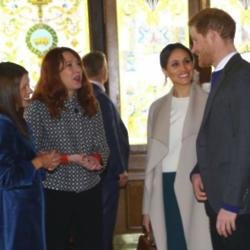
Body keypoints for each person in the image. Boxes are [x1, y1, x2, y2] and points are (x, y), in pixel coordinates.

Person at [24, 47, 110, 250]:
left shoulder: (91, 103)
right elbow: (32, 154)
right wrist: (69, 158)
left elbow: (102, 144)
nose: (77, 70)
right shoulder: (37, 108)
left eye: (78, 63)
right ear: (54, 73)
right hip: (54, 191)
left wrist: (96, 160)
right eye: (68, 66)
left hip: (89, 188)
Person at [189, 8, 250, 250]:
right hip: (221, 202)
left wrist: (232, 204)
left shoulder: (242, 77)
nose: (193, 49)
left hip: (236, 207)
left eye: (195, 40)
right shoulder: (223, 75)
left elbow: (246, 143)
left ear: (212, 35)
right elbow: (218, 138)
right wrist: (197, 172)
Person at [142, 43, 212, 250]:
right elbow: (150, 163)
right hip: (164, 185)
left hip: (198, 184)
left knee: (200, 242)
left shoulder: (209, 101)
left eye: (187, 61)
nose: (183, 69)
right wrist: (146, 208)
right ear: (165, 70)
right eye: (175, 64)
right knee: (173, 243)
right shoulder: (157, 108)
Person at [0, 62, 60, 250]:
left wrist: (42, 162)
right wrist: (37, 162)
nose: (30, 91)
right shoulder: (2, 125)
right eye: (24, 87)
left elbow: (20, 161)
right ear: (8, 91)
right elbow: (4, 177)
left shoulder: (16, 121)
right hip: (11, 214)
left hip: (25, 211)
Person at [82, 51, 130, 250]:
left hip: (85, 173)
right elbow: (111, 138)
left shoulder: (80, 97)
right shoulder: (101, 98)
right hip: (105, 174)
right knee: (103, 224)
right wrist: (120, 169)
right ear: (104, 70)